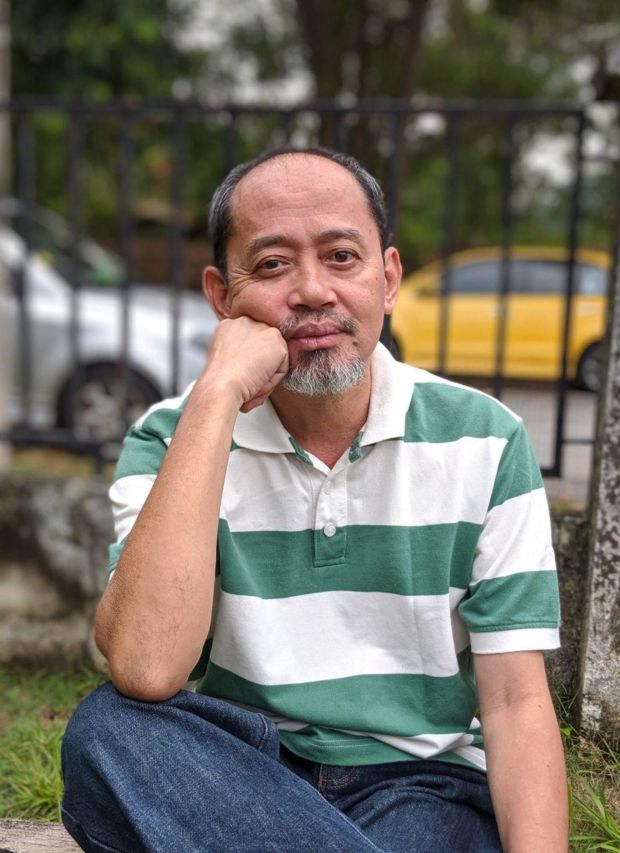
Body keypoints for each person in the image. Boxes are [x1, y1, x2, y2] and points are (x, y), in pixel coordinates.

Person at [61, 146, 568, 853]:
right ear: (221, 297)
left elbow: (516, 701)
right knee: (110, 732)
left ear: (388, 278)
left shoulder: (486, 439)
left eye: (341, 257)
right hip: (242, 769)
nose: (311, 291)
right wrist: (216, 396)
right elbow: (147, 667)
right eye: (272, 265)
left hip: (420, 784)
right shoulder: (172, 436)